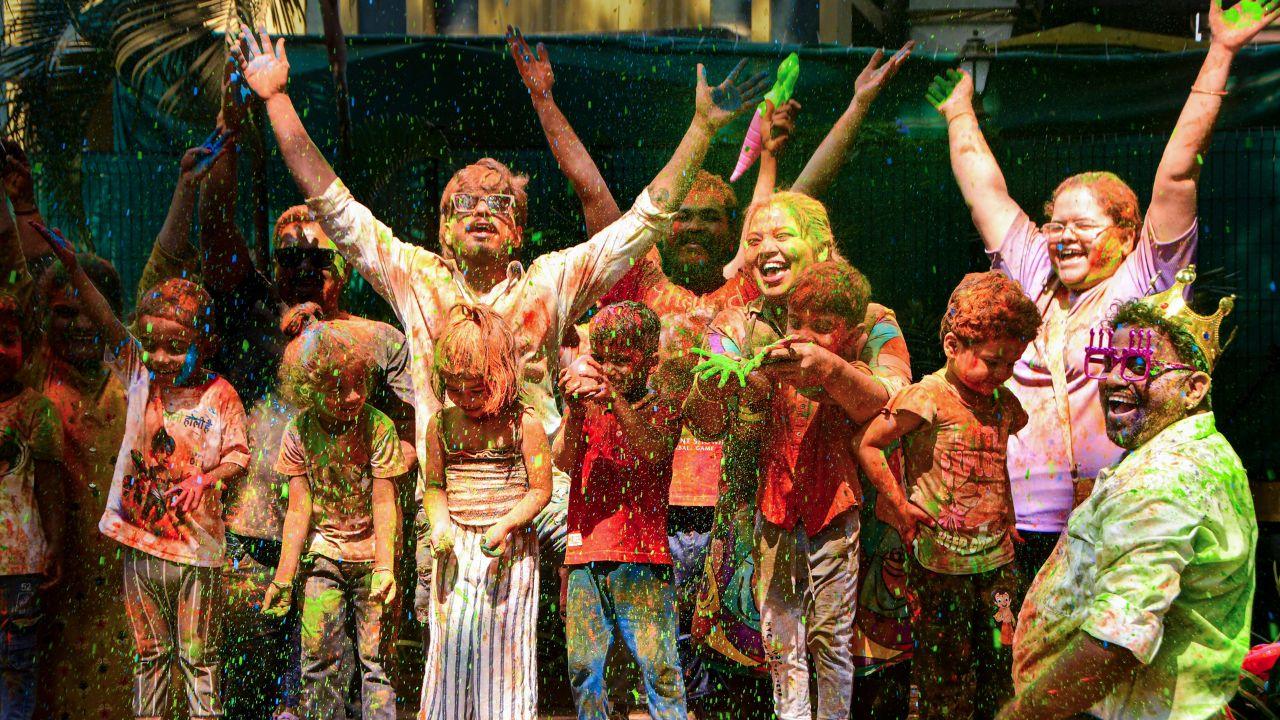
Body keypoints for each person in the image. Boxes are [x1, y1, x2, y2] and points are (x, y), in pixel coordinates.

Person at [233, 26, 767, 630]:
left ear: (518, 231)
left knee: (593, 618)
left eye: (498, 204)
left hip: (543, 488)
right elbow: (332, 202)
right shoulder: (416, 277)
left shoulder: (549, 281)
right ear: (442, 232)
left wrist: (700, 129)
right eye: (463, 203)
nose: (481, 210)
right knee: (450, 648)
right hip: (449, 491)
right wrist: (276, 98)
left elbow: (642, 223)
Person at [927, 0, 1277, 587]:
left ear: (1126, 236)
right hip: (1012, 524)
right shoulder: (1033, 275)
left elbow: (1178, 174)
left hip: (1109, 521)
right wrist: (958, 111)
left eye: (1082, 227)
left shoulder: (1142, 282)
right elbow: (983, 190)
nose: (1063, 237)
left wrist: (1220, 52)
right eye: (1054, 224)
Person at [1003, 266, 1256, 720]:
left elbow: (1115, 641)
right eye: (1110, 362)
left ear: (1193, 388)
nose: (1114, 380)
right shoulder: (1190, 450)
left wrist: (1022, 714)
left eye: (1139, 365)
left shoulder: (1167, 477)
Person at [34, 225, 249, 720]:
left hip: (196, 551)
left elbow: (239, 455)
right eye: (151, 344)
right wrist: (72, 269)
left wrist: (203, 479)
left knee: (197, 658)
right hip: (140, 542)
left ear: (207, 343)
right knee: (150, 655)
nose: (161, 358)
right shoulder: (139, 378)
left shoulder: (220, 395)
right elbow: (108, 320)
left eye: (177, 347)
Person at [858, 272, 1042, 719]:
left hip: (996, 564)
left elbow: (996, 462)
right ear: (953, 346)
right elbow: (868, 444)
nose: (1000, 374)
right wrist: (899, 506)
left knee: (1003, 649)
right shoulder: (927, 396)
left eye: (1010, 364)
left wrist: (1009, 517)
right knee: (946, 668)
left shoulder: (1001, 401)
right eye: (991, 361)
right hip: (941, 563)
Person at [261, 322, 408, 720]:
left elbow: (383, 502)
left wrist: (384, 567)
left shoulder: (378, 428)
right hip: (324, 555)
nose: (352, 396)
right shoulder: (299, 431)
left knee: (375, 662)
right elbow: (298, 509)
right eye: (337, 388)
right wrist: (284, 577)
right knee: (319, 659)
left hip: (370, 559)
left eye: (358, 383)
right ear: (309, 389)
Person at [418, 304, 553, 719]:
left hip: (508, 552)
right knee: (450, 648)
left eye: (476, 389)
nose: (466, 399)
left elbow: (540, 490)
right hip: (456, 547)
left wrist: (508, 523)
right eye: (455, 389)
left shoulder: (523, 425)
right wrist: (439, 525)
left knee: (504, 650)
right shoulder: (441, 425)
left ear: (502, 376)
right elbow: (436, 486)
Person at [555, 301, 686, 719]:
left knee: (659, 668)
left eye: (622, 362)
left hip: (643, 559)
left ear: (650, 361)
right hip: (584, 556)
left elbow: (652, 451)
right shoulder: (589, 405)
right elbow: (562, 459)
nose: (608, 370)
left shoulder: (663, 406)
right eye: (601, 359)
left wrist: (613, 401)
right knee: (584, 668)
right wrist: (574, 409)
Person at [0, 284, 66, 720]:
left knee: (16, 666)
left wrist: (55, 543)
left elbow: (49, 484)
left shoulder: (37, 411)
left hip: (20, 568)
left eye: (7, 338)